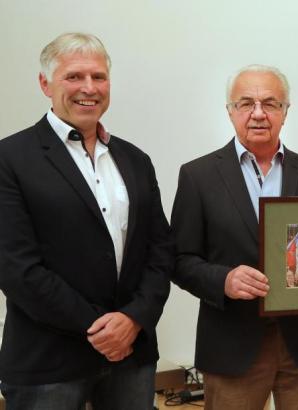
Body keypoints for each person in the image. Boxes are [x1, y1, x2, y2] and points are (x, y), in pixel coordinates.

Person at [0, 33, 173, 409]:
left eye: (99, 77)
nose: (89, 88)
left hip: (132, 355)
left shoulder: (135, 160)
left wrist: (132, 320)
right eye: (74, 76)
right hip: (48, 363)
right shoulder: (10, 158)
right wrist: (101, 328)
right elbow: (16, 268)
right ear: (45, 83)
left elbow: (160, 252)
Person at [171, 65, 298, 409]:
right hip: (232, 344)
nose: (258, 113)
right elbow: (179, 259)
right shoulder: (197, 176)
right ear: (230, 111)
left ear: (285, 112)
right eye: (246, 103)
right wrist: (224, 279)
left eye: (271, 103)